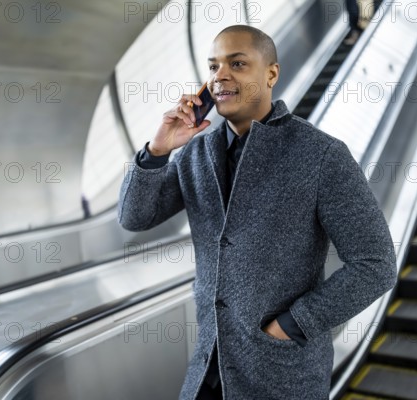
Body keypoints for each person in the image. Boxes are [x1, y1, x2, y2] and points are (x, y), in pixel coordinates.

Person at [118, 24, 397, 400]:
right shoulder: (196, 154)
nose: (220, 76)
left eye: (237, 63)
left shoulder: (320, 155)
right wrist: (158, 149)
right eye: (213, 66)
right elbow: (134, 217)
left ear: (271, 74)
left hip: (279, 375)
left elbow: (376, 263)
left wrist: (294, 324)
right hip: (207, 372)